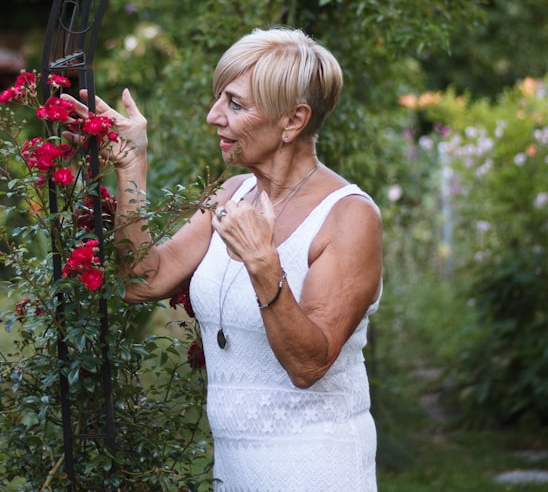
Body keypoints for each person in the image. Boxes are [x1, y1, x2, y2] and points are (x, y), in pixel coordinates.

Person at [83, 27, 383, 492]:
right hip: (234, 470)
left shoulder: (348, 215)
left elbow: (308, 366)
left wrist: (263, 263)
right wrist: (131, 168)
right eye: (219, 98)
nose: (213, 116)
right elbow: (141, 279)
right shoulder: (231, 193)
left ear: (293, 121)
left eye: (236, 104)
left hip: (317, 469)